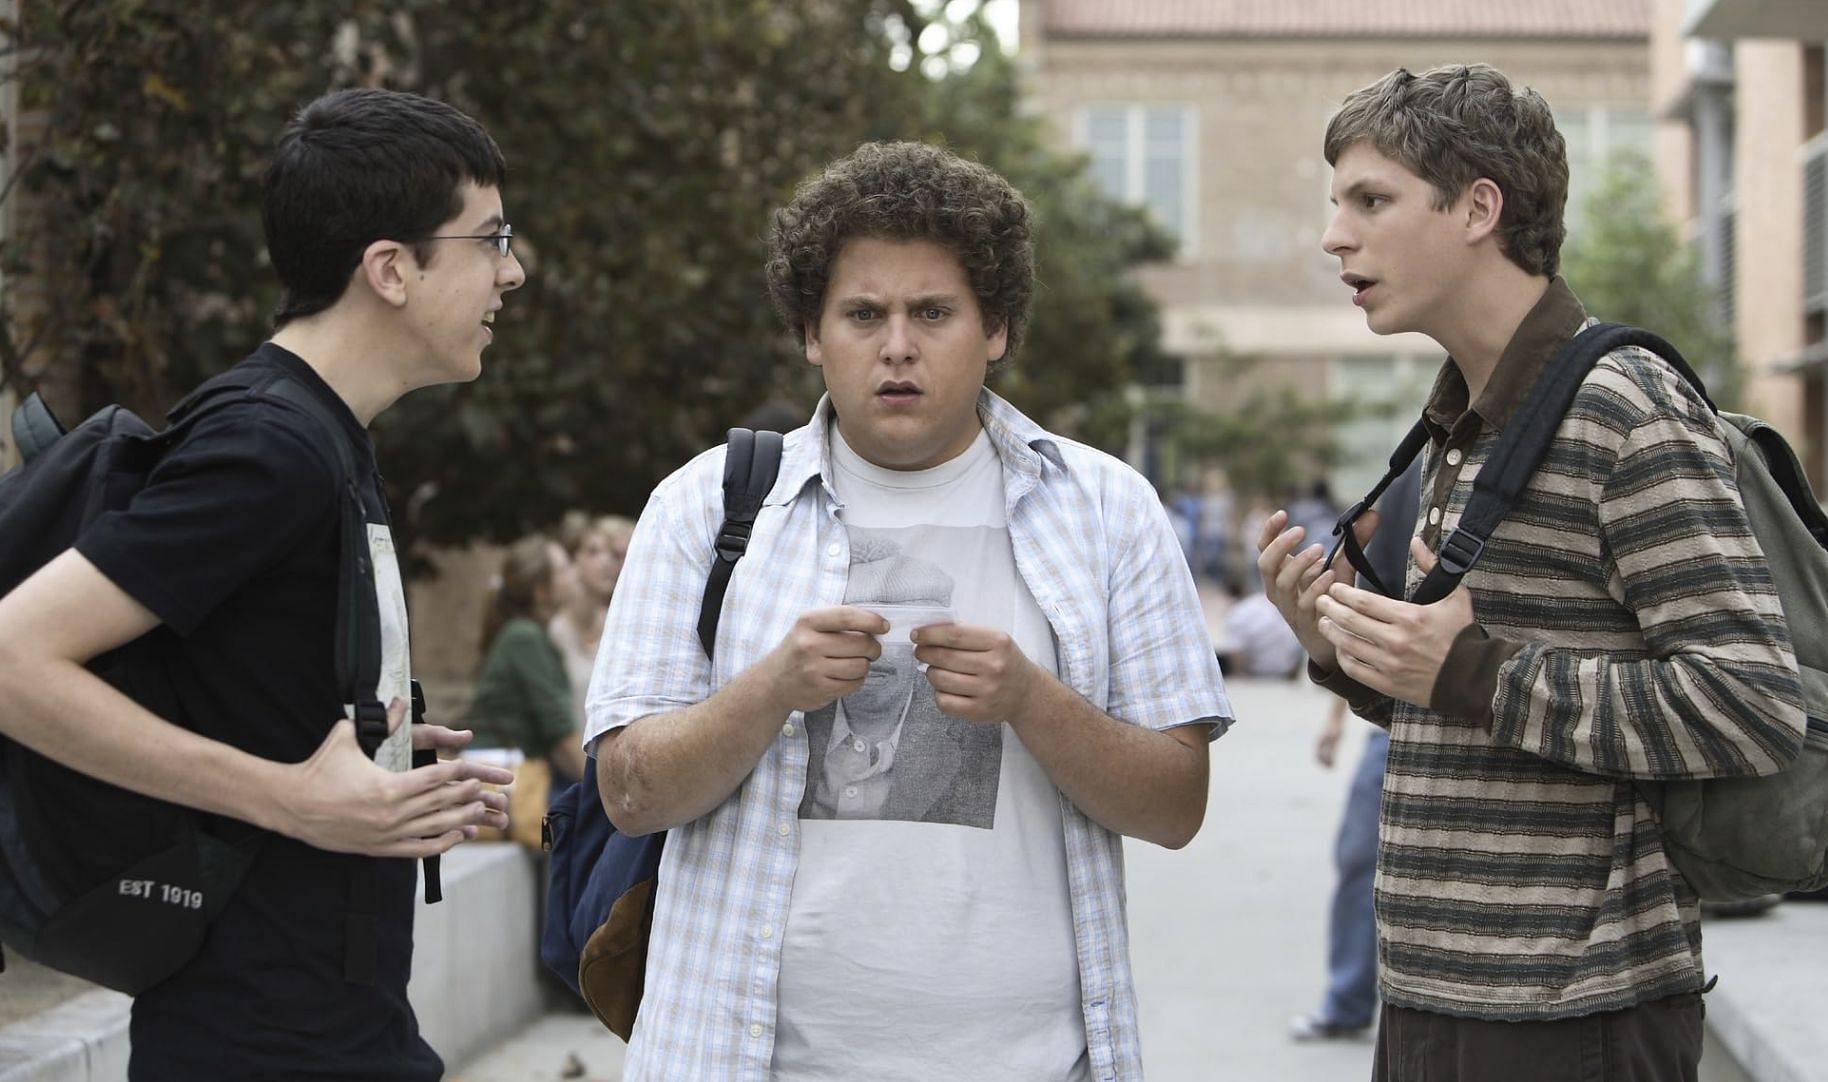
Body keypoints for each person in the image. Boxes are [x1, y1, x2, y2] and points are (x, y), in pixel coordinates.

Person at [585, 140, 1231, 1081]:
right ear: (813, 334)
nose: (897, 345)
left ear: (997, 328)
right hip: (743, 1056)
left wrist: (1030, 699)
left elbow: (1177, 806)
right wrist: (771, 688)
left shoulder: (1105, 508)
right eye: (862, 314)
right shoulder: (707, 506)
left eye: (933, 312)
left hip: (1031, 1061)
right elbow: (628, 793)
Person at [1256, 64, 1804, 1081]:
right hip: (1430, 992)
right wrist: (1347, 651)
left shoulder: (1619, 404)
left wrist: (1470, 667)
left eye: (1369, 200)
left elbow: (1746, 703)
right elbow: (1477, 714)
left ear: (1478, 207)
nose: (1335, 234)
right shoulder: (1464, 420)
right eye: (1337, 203)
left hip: (1573, 1014)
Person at [0, 88, 524, 1080]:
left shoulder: (325, 437)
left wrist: (377, 748)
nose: (513, 270)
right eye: (491, 238)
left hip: (332, 1024)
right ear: (390, 268)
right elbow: (12, 657)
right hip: (257, 1038)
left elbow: (238, 682)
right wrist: (293, 798)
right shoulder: (269, 444)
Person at [1288, 458, 1419, 1044]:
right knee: (1358, 856)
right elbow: (1368, 617)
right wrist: (1336, 718)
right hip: (1391, 723)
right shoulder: (1412, 471)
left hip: (1459, 708)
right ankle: (1346, 1001)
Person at [472, 535, 588, 788]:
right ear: (542, 591)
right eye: (564, 569)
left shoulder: (525, 633)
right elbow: (563, 736)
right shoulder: (525, 637)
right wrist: (603, 795)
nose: (574, 573)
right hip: (506, 776)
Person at [548, 514, 636, 731]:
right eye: (594, 552)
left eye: (611, 553)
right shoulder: (551, 630)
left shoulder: (617, 626)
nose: (607, 562)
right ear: (573, 559)